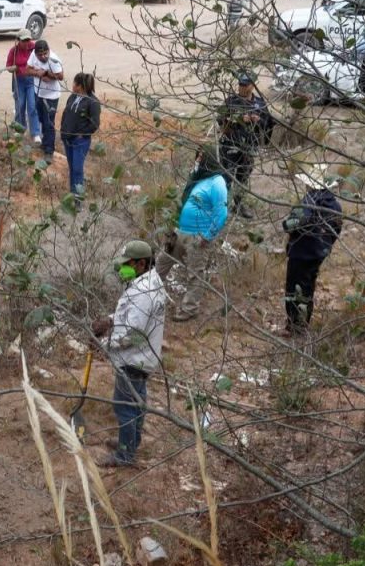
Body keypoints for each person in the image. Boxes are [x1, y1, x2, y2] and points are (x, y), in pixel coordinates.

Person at [91, 240, 166, 467]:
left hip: (134, 359)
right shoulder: (149, 282)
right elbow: (131, 318)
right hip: (143, 358)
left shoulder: (144, 292)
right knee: (137, 402)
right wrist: (110, 320)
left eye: (128, 264)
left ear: (141, 263)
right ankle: (130, 442)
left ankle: (124, 455)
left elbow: (132, 334)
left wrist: (103, 343)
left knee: (124, 406)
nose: (123, 268)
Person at [155, 147, 229, 321]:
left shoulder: (217, 182)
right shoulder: (199, 179)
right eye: (197, 156)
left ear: (208, 160)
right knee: (161, 263)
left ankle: (189, 309)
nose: (198, 160)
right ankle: (147, 296)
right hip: (180, 232)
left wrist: (207, 236)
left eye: (201, 157)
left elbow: (222, 213)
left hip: (198, 236)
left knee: (195, 274)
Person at [282, 170, 343, 336]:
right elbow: (337, 229)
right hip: (318, 254)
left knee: (294, 290)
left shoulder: (308, 202)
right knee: (308, 287)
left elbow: (291, 224)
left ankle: (295, 327)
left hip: (301, 253)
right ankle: (302, 324)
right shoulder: (335, 205)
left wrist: (287, 225)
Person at [218, 73, 273, 220]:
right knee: (227, 177)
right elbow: (220, 119)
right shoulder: (231, 101)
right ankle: (222, 206)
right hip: (230, 145)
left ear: (252, 85)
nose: (241, 88)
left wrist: (258, 120)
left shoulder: (260, 103)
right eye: (240, 85)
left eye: (245, 85)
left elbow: (268, 123)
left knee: (243, 177)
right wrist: (239, 119)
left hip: (249, 147)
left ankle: (239, 205)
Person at [60, 72, 101, 197]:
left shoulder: (93, 102)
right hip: (68, 138)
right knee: (72, 168)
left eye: (74, 83)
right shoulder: (73, 97)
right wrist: (63, 129)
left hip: (80, 141)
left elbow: (94, 124)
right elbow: (66, 113)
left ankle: (78, 198)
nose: (72, 85)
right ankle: (72, 194)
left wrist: (81, 134)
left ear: (80, 86)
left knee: (77, 169)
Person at [25, 40, 64, 155]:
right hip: (38, 93)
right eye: (40, 55)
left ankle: (49, 149)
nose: (43, 56)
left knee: (49, 123)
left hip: (51, 96)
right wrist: (38, 73)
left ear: (48, 50)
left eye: (45, 53)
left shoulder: (53, 59)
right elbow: (27, 70)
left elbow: (61, 76)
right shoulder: (33, 54)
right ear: (35, 53)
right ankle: (45, 143)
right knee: (42, 119)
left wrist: (47, 74)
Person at [6, 29, 39, 139]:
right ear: (18, 40)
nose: (26, 42)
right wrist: (13, 68)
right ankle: (20, 129)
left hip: (31, 80)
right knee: (19, 105)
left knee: (32, 106)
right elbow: (8, 66)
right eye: (24, 40)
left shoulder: (34, 48)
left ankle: (35, 133)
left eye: (28, 40)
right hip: (18, 80)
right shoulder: (13, 51)